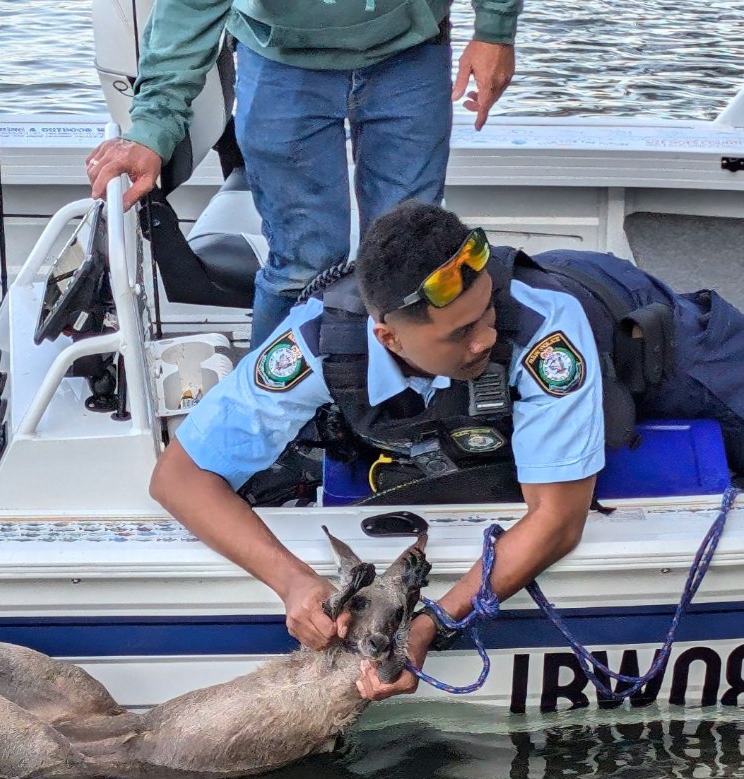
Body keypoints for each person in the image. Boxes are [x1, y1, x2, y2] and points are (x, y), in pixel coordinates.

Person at [149, 200, 744, 701]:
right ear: (387, 337)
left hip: (627, 319)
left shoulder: (544, 332)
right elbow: (180, 478)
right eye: (460, 332)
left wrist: (432, 624)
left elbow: (559, 522)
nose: (485, 336)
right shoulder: (313, 343)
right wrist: (293, 583)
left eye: (485, 312)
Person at [85, 0, 521, 344]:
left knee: (413, 258)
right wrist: (150, 129)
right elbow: (189, 9)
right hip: (279, 59)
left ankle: (405, 411)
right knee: (302, 265)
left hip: (410, 50)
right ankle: (272, 418)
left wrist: (495, 31)